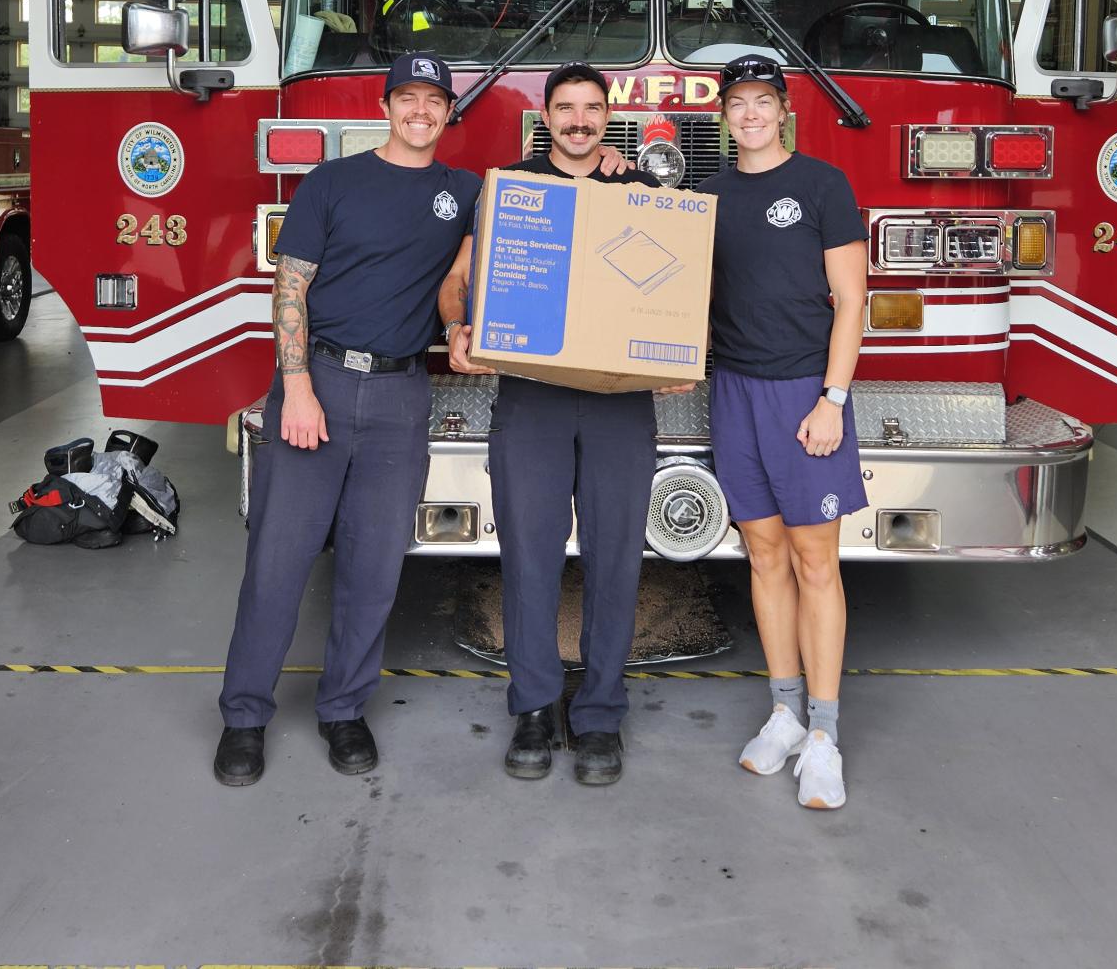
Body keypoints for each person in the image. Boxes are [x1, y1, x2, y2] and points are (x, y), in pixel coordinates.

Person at [214, 51, 482, 786]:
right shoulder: (331, 183)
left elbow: (544, 211)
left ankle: (343, 709)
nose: (421, 111)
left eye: (435, 100)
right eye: (408, 98)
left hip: (401, 398)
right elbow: (289, 287)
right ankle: (243, 717)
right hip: (319, 385)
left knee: (373, 570)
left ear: (449, 113)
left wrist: (628, 170)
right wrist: (295, 388)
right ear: (386, 107)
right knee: (277, 563)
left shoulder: (466, 192)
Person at [438, 63, 677, 786]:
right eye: (566, 108)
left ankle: (601, 714)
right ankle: (535, 707)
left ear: (609, 118)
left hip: (619, 402)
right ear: (546, 117)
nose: (578, 121)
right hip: (532, 399)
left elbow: (680, 282)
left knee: (615, 560)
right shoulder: (509, 189)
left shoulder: (642, 192)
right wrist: (456, 325)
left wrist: (677, 350)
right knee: (530, 559)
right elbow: (458, 278)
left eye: (591, 109)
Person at [698, 54, 868, 810]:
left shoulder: (822, 186)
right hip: (732, 392)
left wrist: (832, 398)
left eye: (764, 101)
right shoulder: (708, 195)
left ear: (783, 110)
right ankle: (785, 714)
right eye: (739, 104)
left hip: (805, 394)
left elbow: (852, 300)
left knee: (815, 562)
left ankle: (826, 736)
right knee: (763, 557)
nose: (752, 115)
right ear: (724, 115)